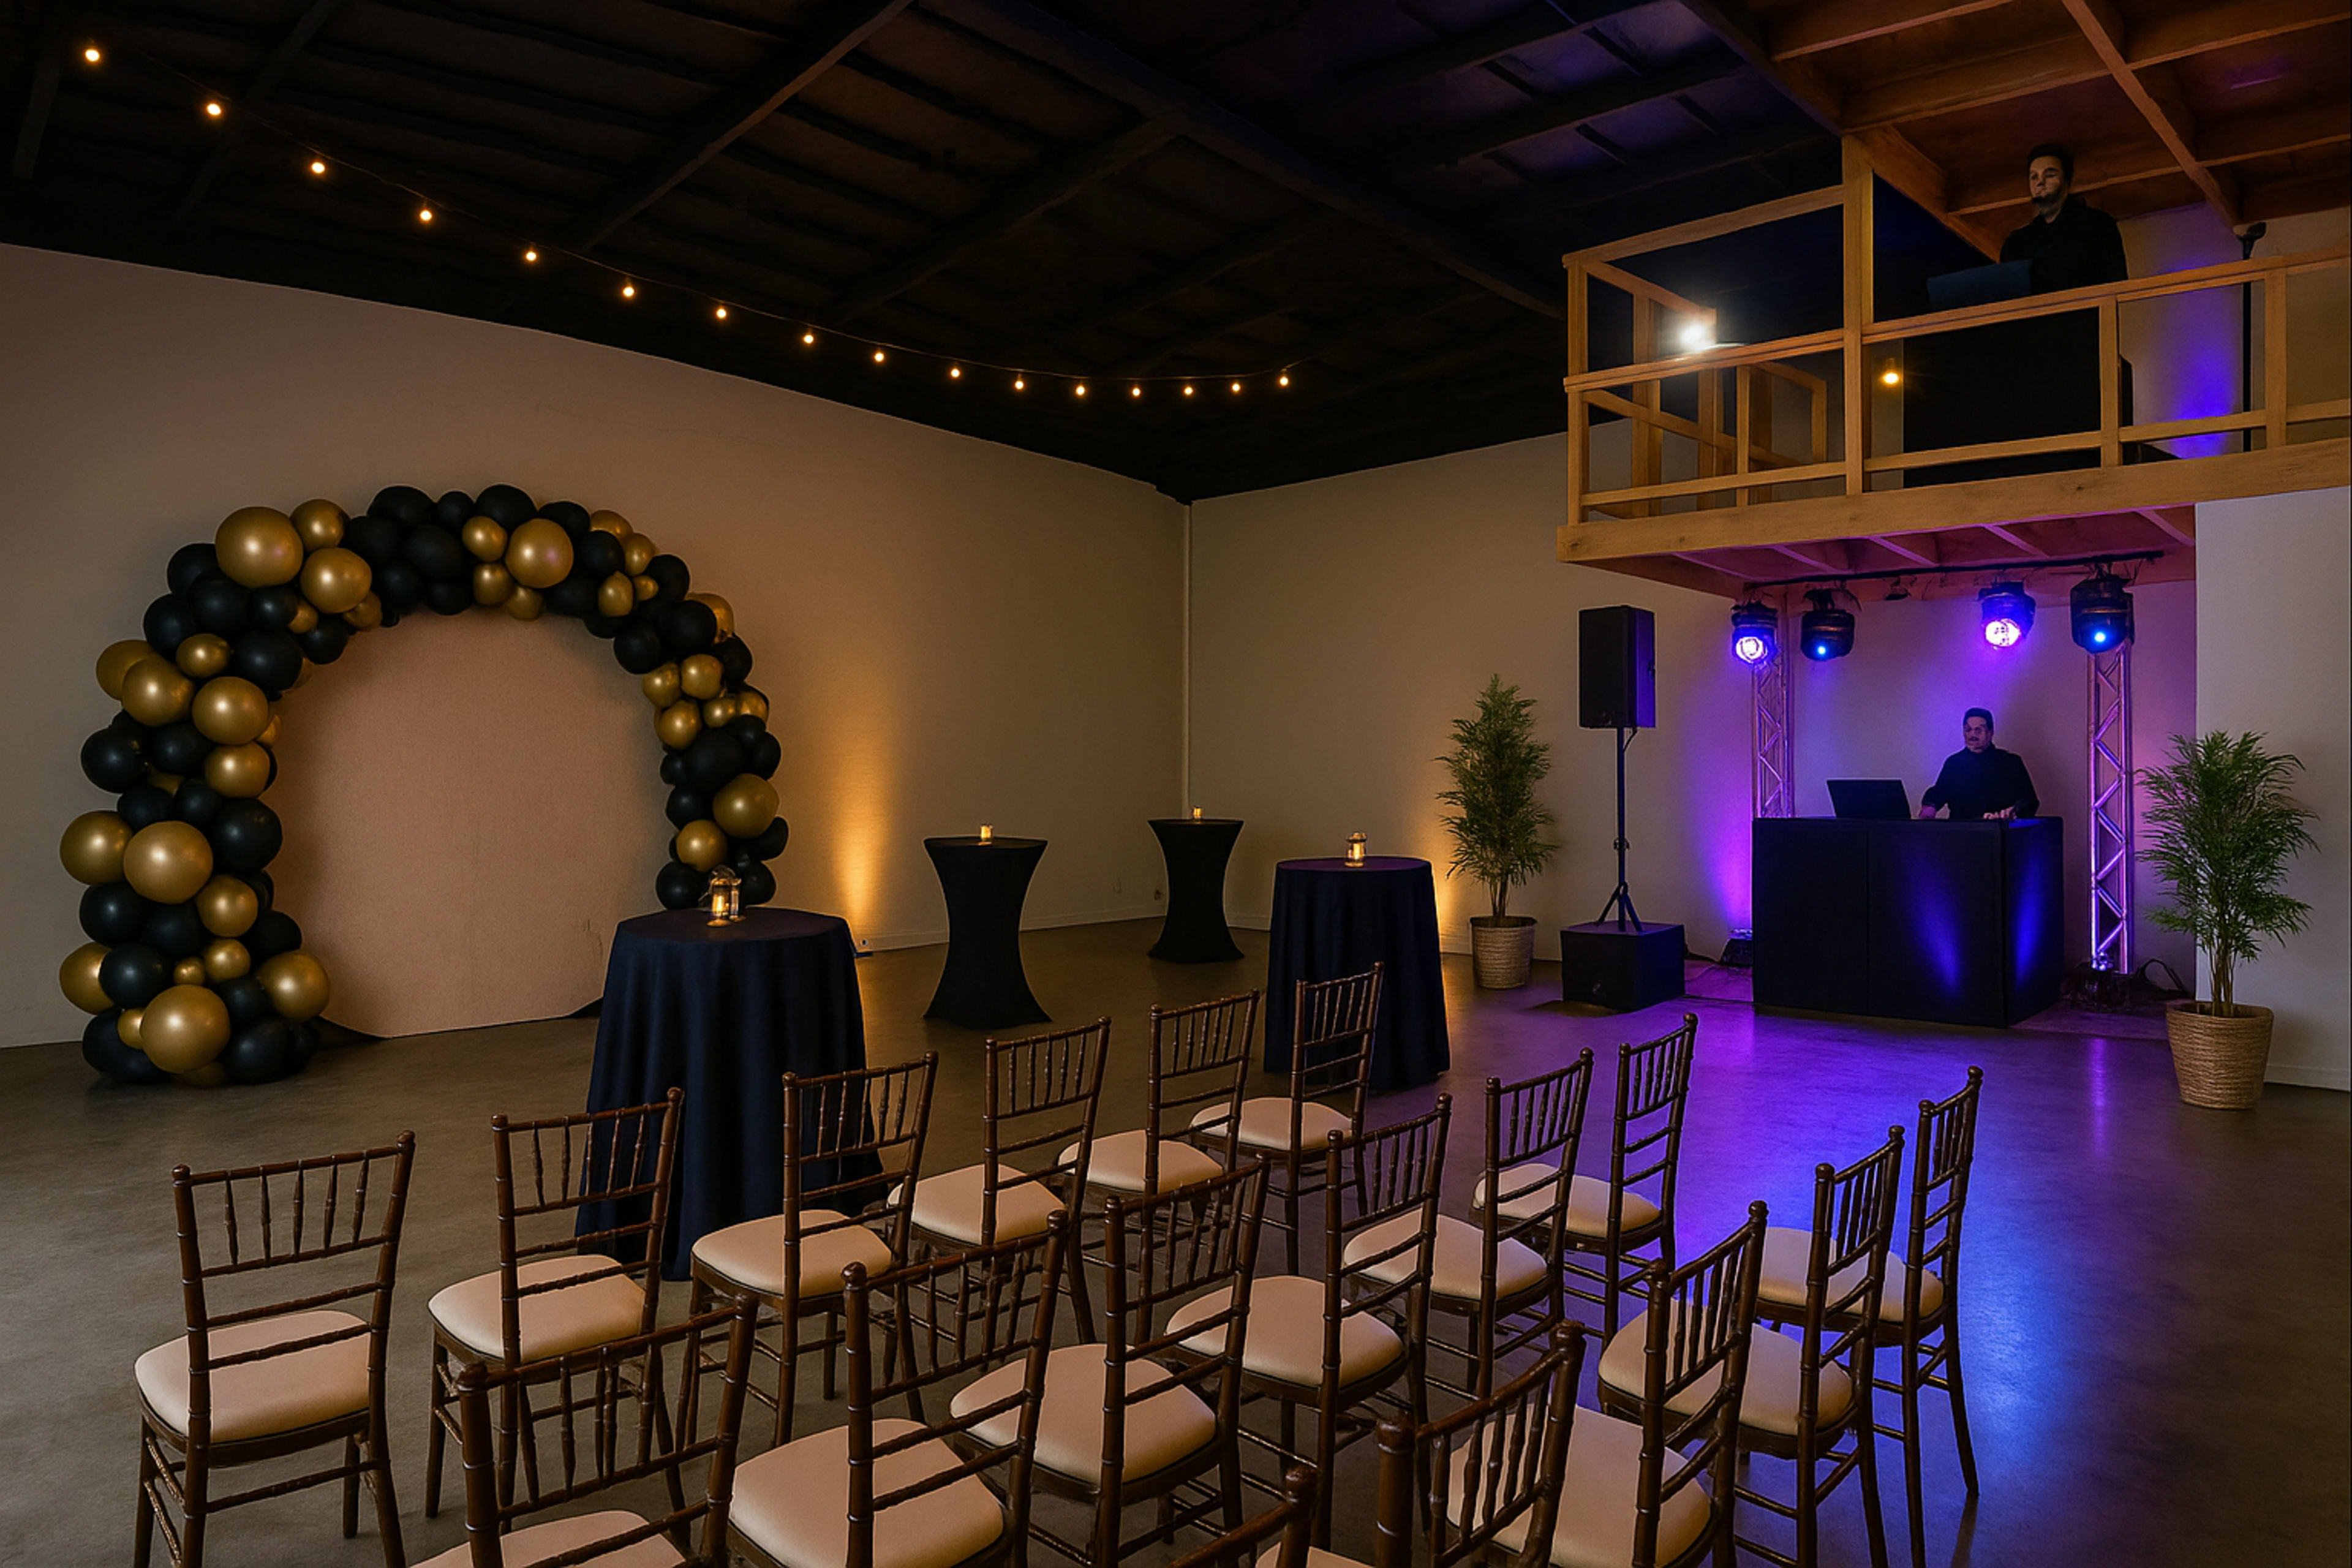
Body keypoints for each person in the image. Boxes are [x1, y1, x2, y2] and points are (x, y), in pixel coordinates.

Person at [2001, 143, 2127, 293]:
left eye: (2050, 175)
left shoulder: (2096, 224)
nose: (2040, 182)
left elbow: (2116, 281)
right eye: (2034, 177)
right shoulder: (2017, 243)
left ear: (2067, 182)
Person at [1919, 708, 2039, 820]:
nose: (1973, 735)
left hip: (2000, 832)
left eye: (1978, 730)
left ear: (1990, 733)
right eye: (1968, 729)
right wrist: (1930, 806)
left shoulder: (2011, 762)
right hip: (1962, 834)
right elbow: (1940, 792)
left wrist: (2014, 810)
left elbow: (2029, 800)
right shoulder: (1954, 763)